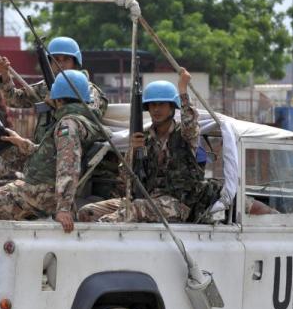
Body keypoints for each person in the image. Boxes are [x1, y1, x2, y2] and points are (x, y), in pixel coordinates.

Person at [0, 70, 106, 233]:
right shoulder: (80, 120)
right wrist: (23, 143)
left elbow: (67, 165)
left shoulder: (67, 124)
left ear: (58, 99)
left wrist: (63, 208)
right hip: (43, 189)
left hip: (39, 192)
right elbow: (52, 154)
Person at [78, 68, 205, 223]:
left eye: (162, 104)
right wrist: (132, 151)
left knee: (123, 214)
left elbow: (191, 125)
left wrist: (183, 92)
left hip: (176, 204)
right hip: (144, 200)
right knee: (87, 212)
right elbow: (125, 178)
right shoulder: (143, 138)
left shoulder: (184, 135)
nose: (156, 109)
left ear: (172, 106)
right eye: (152, 105)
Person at [0, 36, 108, 187]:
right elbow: (14, 99)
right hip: (38, 150)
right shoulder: (46, 86)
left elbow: (91, 115)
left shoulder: (88, 89)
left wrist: (59, 105)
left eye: (65, 60)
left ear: (75, 63)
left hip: (68, 154)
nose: (60, 65)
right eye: (55, 59)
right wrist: (5, 74)